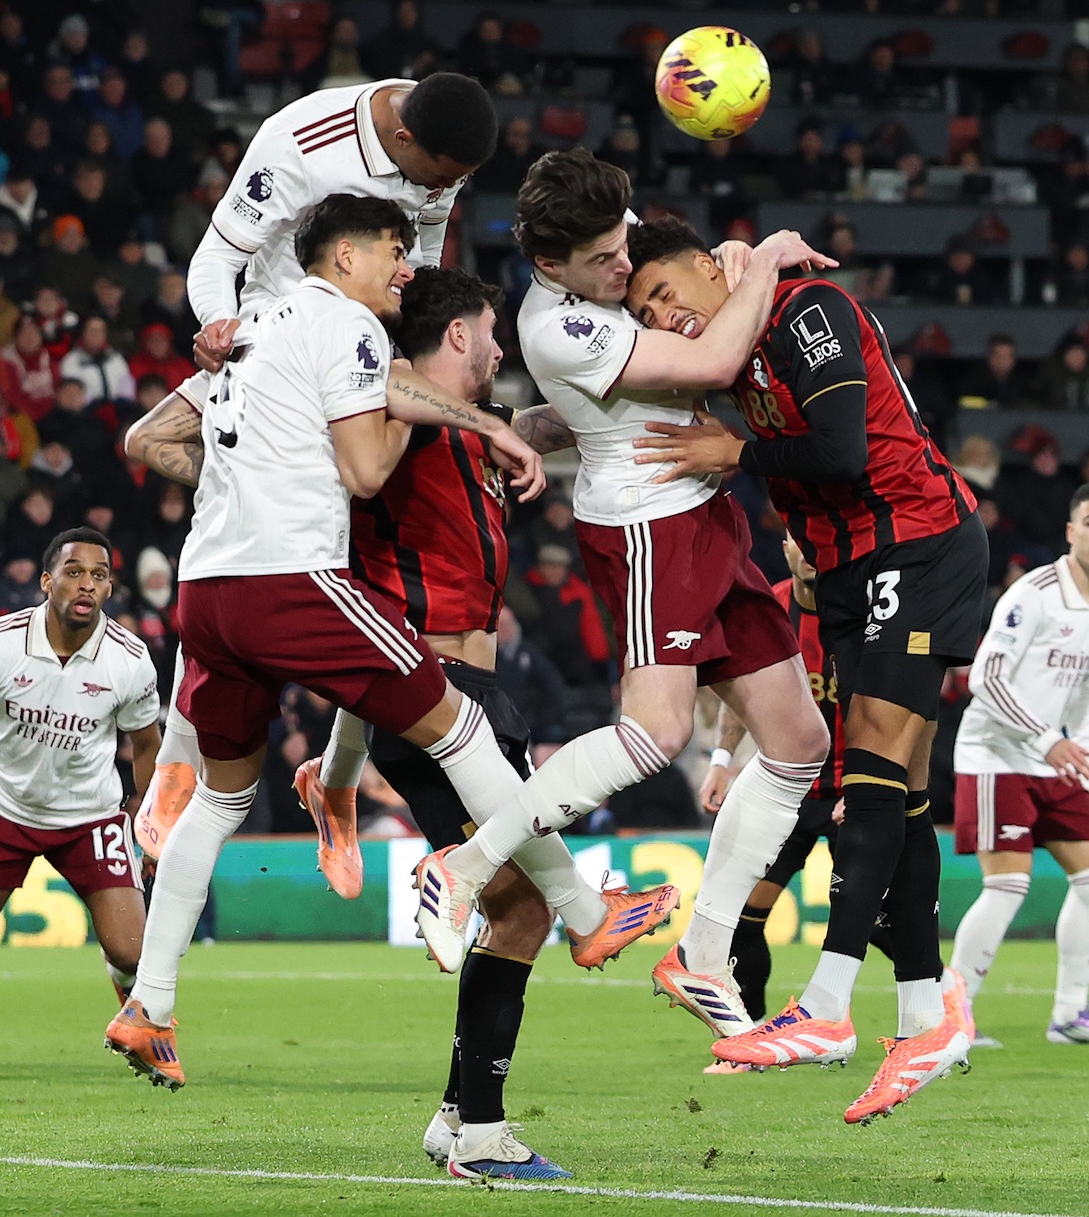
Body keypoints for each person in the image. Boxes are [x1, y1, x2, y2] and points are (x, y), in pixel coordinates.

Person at [103, 197, 562, 1100]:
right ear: (347, 253)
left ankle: (150, 1001)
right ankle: (560, 910)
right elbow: (359, 466)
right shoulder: (345, 340)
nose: (405, 264)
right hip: (315, 596)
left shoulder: (269, 333)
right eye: (396, 248)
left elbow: (149, 438)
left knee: (221, 805)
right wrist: (286, 470)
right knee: (472, 767)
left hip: (218, 589)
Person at [407, 156, 831, 1064]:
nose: (621, 266)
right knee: (654, 734)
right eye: (601, 259)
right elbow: (716, 358)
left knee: (799, 741)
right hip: (645, 525)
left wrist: (543, 422)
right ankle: (467, 863)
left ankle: (704, 955)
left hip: (707, 516)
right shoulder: (553, 324)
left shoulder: (610, 253)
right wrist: (760, 263)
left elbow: (647, 353)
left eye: (623, 242)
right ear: (551, 267)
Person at [304, 267, 676, 1178]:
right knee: (515, 906)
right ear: (458, 336)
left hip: (473, 679)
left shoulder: (475, 431)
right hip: (429, 684)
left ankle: (457, 1116)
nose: (503, 346)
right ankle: (478, 1127)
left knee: (517, 912)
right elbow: (387, 381)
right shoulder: (391, 407)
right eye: (490, 330)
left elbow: (543, 423)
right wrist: (495, 426)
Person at [623, 212, 983, 1123]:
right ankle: (923, 1015)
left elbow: (839, 450)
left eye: (668, 290)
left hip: (919, 540)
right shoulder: (732, 359)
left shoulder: (804, 310)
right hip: (850, 567)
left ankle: (825, 1007)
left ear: (715, 269)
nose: (664, 314)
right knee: (896, 789)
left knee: (862, 765)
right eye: (645, 308)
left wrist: (732, 450)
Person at [121, 71, 532, 861]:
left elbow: (417, 276)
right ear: (405, 142)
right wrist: (220, 330)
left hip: (358, 355)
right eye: (441, 177)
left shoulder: (440, 152)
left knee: (358, 560)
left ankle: (331, 778)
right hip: (272, 345)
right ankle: (189, 761)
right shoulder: (298, 143)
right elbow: (215, 261)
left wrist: (405, 374)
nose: (446, 191)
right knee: (156, 444)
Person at [0, 529, 162, 1081]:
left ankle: (123, 980)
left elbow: (146, 747)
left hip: (90, 816)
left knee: (136, 956)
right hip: (3, 814)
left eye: (98, 574)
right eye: (73, 571)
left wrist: (152, 822)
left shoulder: (130, 660)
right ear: (47, 582)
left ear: (110, 588)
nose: (86, 583)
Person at [946, 483, 1089, 1048]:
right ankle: (951, 1018)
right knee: (1008, 885)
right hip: (996, 755)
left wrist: (1085, 744)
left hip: (1055, 757)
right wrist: (1046, 738)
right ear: (1070, 532)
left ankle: (1071, 1016)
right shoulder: (1034, 593)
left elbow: (1084, 688)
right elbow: (984, 679)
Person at [698, 534, 844, 1066]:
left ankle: (927, 1017)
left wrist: (870, 784)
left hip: (852, 787)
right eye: (798, 542)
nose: (809, 553)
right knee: (747, 915)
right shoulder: (771, 609)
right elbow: (744, 695)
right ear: (784, 547)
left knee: (873, 919)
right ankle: (751, 1034)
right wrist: (721, 759)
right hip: (788, 785)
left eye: (818, 544)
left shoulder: (859, 609)